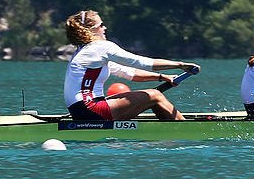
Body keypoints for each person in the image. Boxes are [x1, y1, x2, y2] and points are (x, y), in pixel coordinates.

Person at [64, 9, 200, 121]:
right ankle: (185, 129)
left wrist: (162, 77)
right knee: (154, 95)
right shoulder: (100, 47)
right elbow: (142, 63)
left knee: (151, 96)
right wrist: (180, 64)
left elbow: (129, 73)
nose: (104, 28)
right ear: (91, 30)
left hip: (80, 110)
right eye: (101, 25)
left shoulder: (84, 52)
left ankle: (170, 122)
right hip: (91, 110)